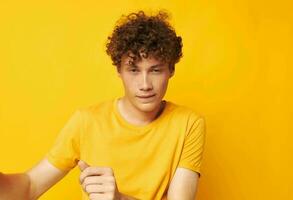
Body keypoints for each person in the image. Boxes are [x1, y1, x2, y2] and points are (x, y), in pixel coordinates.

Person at [0, 10, 206, 200]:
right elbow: (30, 186)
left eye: (155, 70)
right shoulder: (86, 121)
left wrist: (119, 198)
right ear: (119, 70)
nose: (145, 85)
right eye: (133, 70)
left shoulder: (188, 124)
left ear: (171, 69)